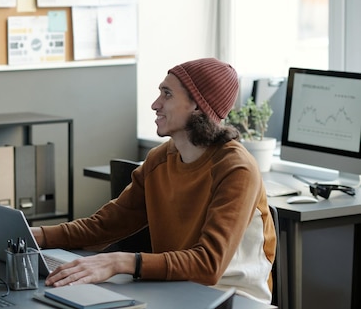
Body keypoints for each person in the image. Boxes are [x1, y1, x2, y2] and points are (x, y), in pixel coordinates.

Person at [31, 57, 276, 304]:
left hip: (233, 298)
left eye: (167, 94)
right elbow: (104, 226)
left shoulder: (236, 168)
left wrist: (121, 262)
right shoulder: (159, 159)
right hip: (174, 289)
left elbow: (208, 265)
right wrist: (33, 235)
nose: (155, 104)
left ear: (198, 106)